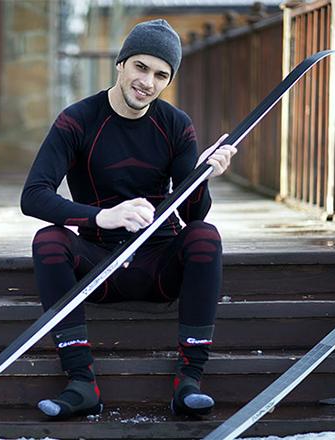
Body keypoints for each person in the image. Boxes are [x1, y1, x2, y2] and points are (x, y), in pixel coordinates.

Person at [20, 18, 237, 420]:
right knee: (47, 239)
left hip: (159, 264)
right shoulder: (77, 120)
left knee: (205, 235)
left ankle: (189, 379)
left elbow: (192, 214)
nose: (148, 82)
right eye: (141, 67)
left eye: (161, 74)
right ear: (120, 64)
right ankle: (81, 381)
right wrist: (101, 217)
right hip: (97, 265)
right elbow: (34, 196)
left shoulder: (175, 125)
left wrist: (201, 178)